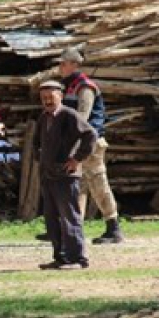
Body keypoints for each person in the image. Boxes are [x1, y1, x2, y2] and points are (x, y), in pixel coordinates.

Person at [58, 47, 124, 244]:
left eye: (63, 63)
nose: (60, 67)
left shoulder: (84, 87)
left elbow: (82, 118)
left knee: (97, 183)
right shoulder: (70, 85)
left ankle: (114, 228)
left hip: (89, 143)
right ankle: (70, 229)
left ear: (74, 65)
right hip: (78, 142)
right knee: (76, 185)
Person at [34, 80, 97, 270]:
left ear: (60, 96)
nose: (47, 101)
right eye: (44, 98)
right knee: (52, 218)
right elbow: (37, 142)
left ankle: (77, 258)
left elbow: (90, 135)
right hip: (48, 175)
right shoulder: (43, 118)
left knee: (69, 216)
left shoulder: (69, 115)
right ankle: (60, 258)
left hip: (66, 175)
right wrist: (41, 160)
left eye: (50, 97)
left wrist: (76, 159)